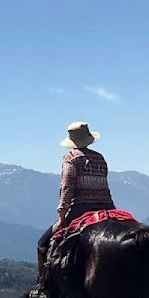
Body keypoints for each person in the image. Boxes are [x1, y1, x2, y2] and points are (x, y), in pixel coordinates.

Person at [35, 121, 116, 289]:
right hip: (107, 208)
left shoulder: (70, 158)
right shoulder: (100, 158)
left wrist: (62, 214)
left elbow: (67, 187)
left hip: (81, 208)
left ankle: (43, 285)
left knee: (43, 243)